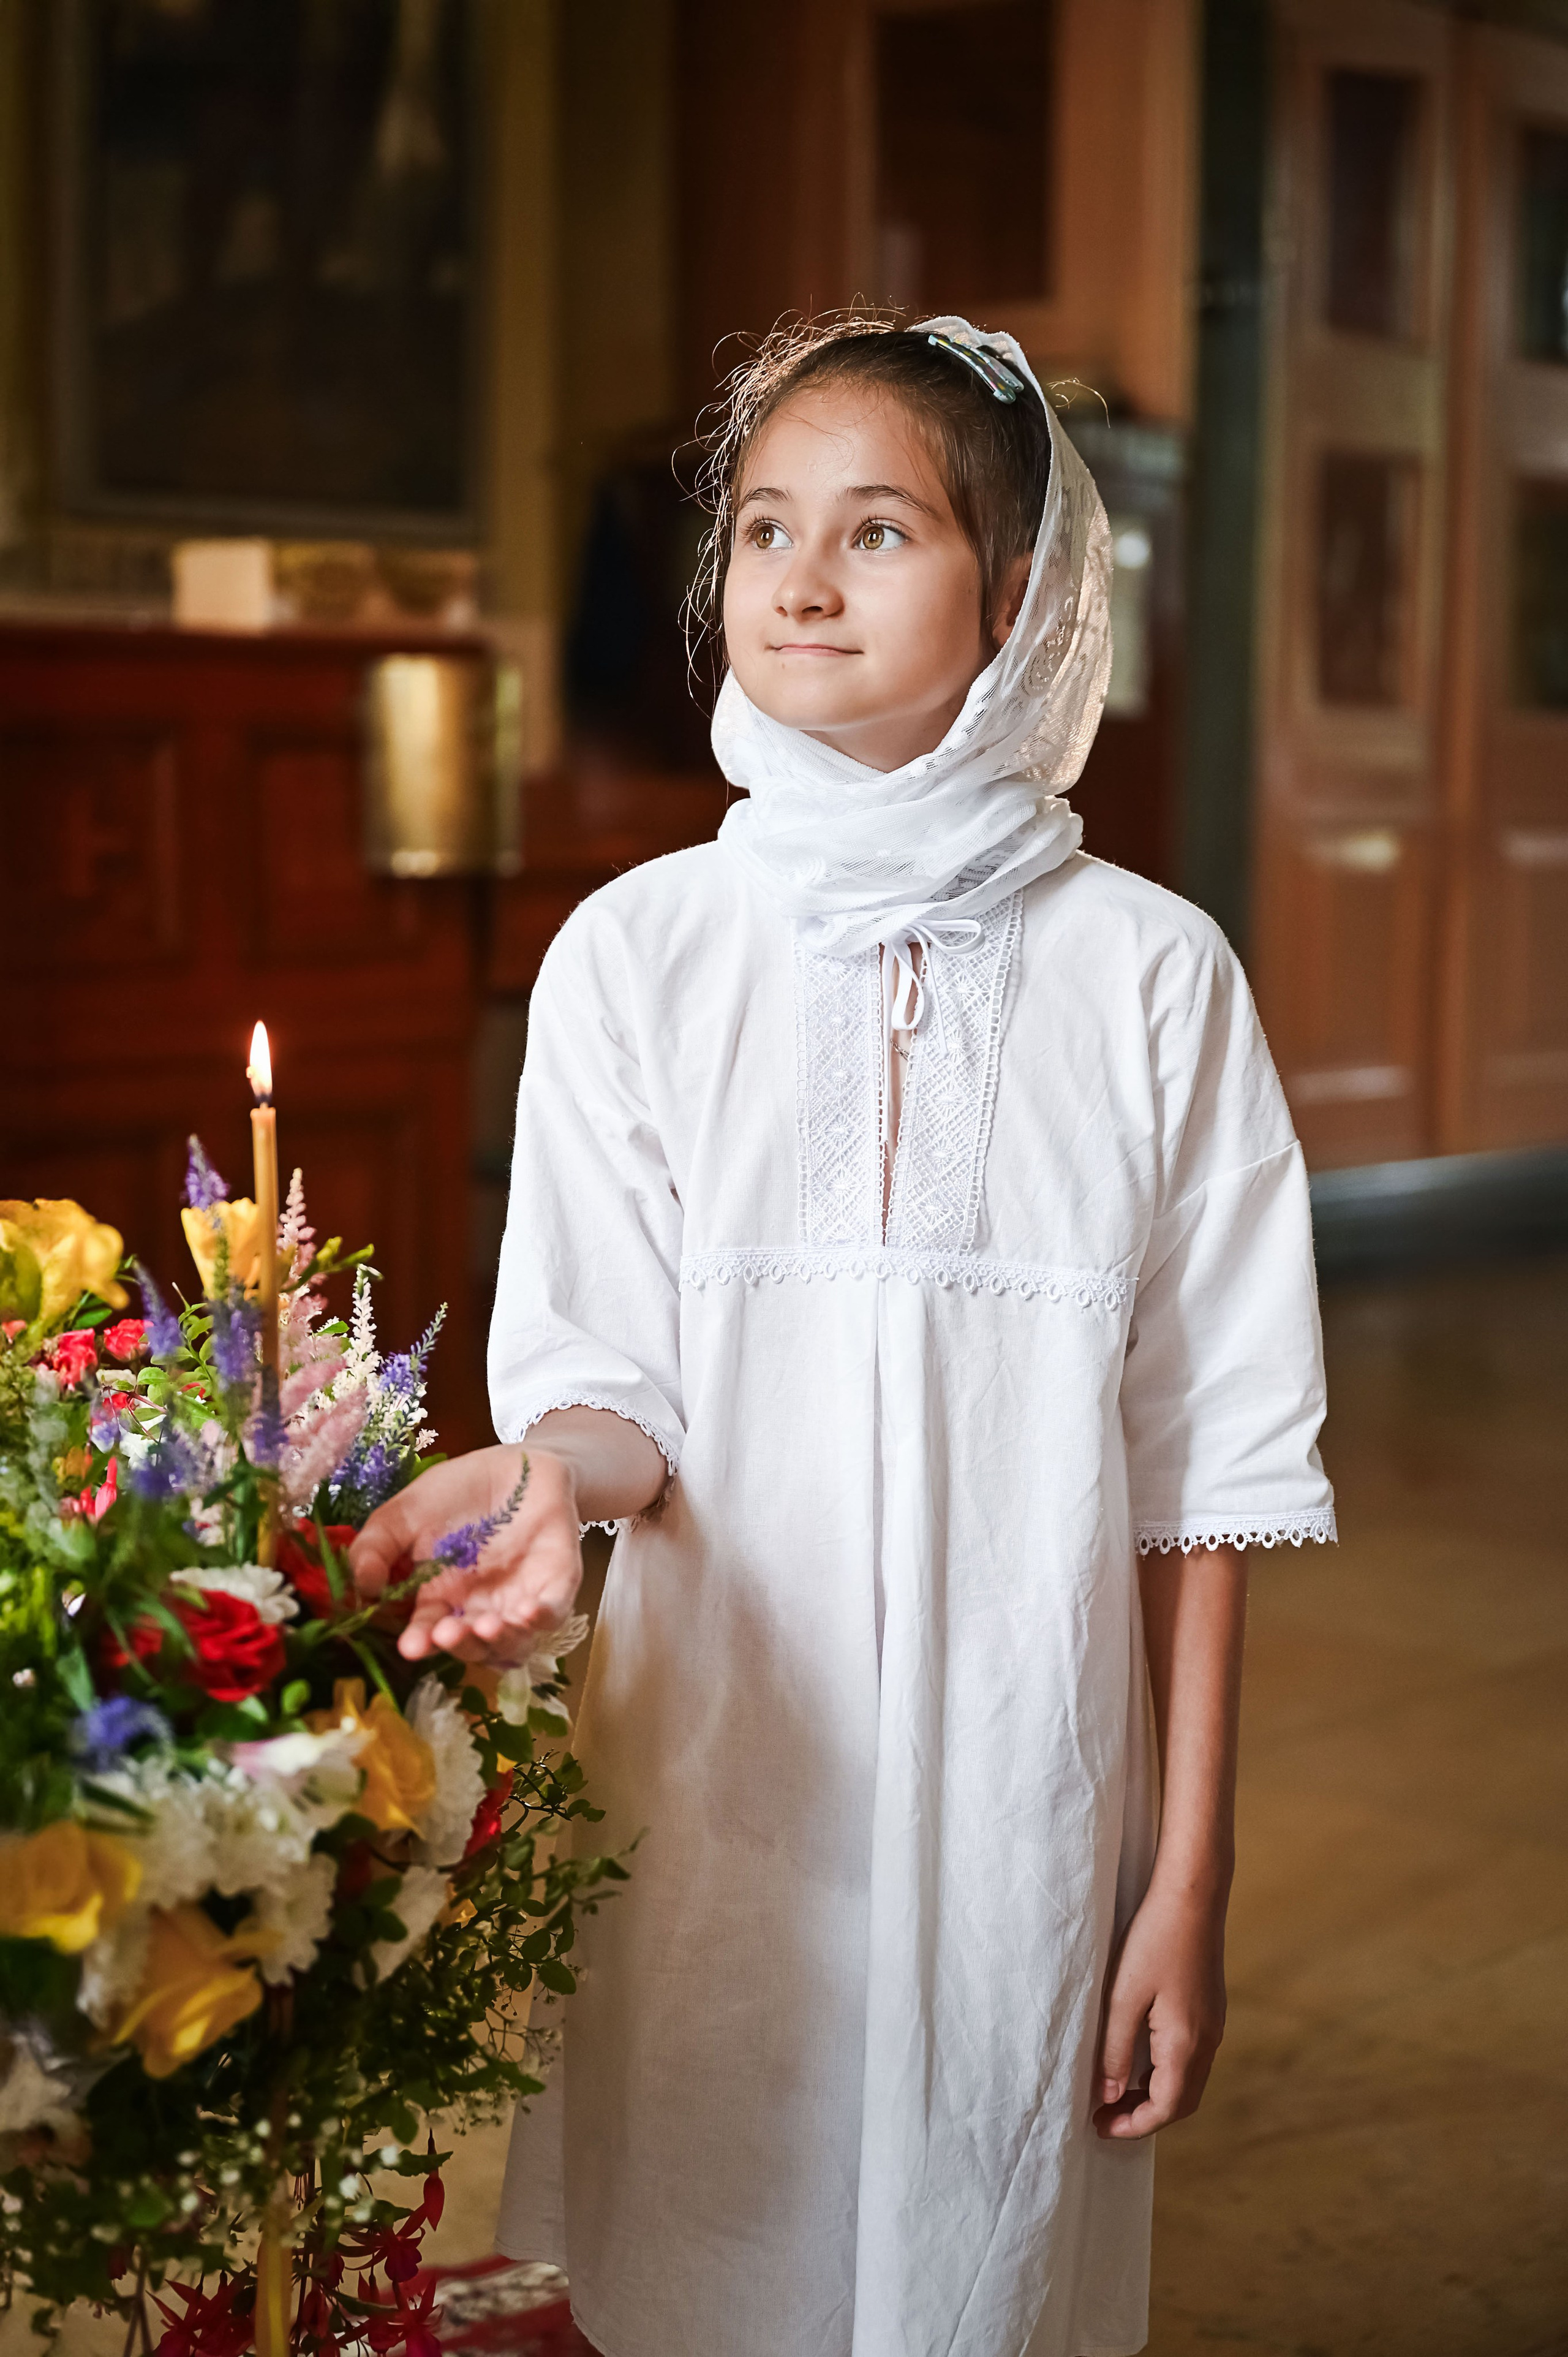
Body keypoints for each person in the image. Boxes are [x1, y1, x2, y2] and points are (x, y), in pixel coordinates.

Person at [350, 314, 1335, 2357]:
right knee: (711, 2239)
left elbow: (1209, 1473)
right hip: (723, 1775)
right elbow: (617, 1394)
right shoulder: (638, 957)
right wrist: (537, 1473)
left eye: (879, 530)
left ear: (1022, 591)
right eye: (766, 529)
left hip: (1024, 1789)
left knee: (979, 2254)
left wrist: (1187, 1880)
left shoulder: (1156, 982)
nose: (797, 579)